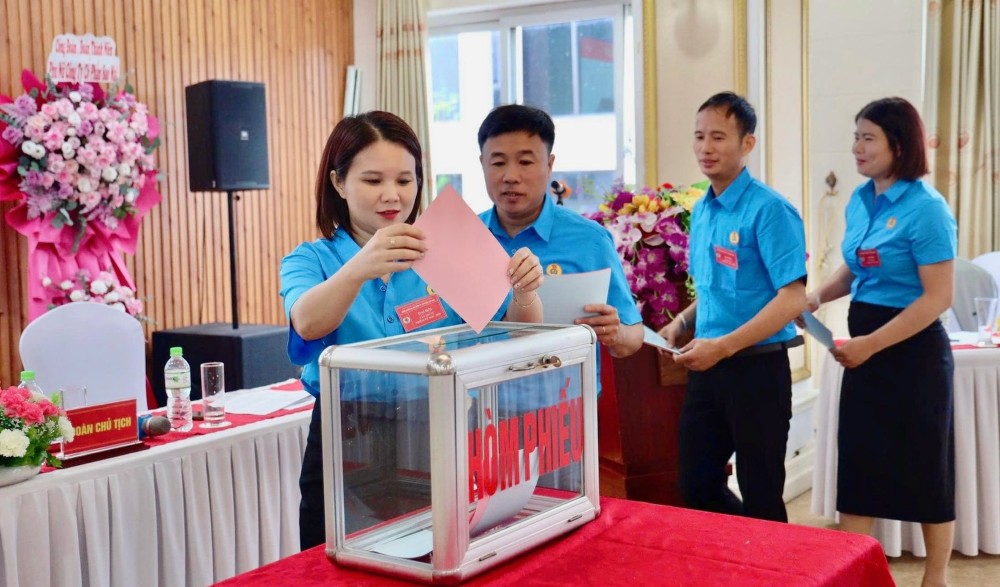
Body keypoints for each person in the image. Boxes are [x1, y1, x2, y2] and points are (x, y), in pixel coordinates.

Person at [280, 111, 543, 550]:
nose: (392, 195)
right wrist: (360, 267)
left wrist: (526, 290)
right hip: (346, 434)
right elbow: (308, 321)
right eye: (372, 180)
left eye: (405, 180)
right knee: (337, 565)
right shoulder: (311, 259)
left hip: (437, 428)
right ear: (339, 183)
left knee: (440, 558)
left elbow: (521, 334)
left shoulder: (447, 245)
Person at [805, 97, 956, 587]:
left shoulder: (927, 210)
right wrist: (818, 296)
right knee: (861, 466)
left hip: (913, 353)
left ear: (899, 143)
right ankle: (856, 573)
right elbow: (857, 263)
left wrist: (872, 344)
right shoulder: (861, 199)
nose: (857, 148)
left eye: (868, 138)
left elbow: (937, 299)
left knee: (925, 468)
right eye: (856, 136)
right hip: (866, 348)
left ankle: (936, 576)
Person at [658, 92, 807, 522]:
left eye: (719, 137)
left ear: (747, 144)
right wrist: (681, 321)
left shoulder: (771, 210)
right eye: (700, 136)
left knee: (762, 494)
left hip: (758, 371)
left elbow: (791, 298)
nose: (706, 147)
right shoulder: (702, 208)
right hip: (708, 369)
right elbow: (717, 289)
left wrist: (723, 347)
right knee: (696, 483)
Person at [476, 104, 644, 359]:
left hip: (568, 395)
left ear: (549, 164)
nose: (511, 176)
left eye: (525, 162)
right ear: (482, 164)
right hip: (482, 396)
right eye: (498, 162)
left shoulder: (590, 240)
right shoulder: (468, 240)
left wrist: (616, 333)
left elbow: (633, 338)